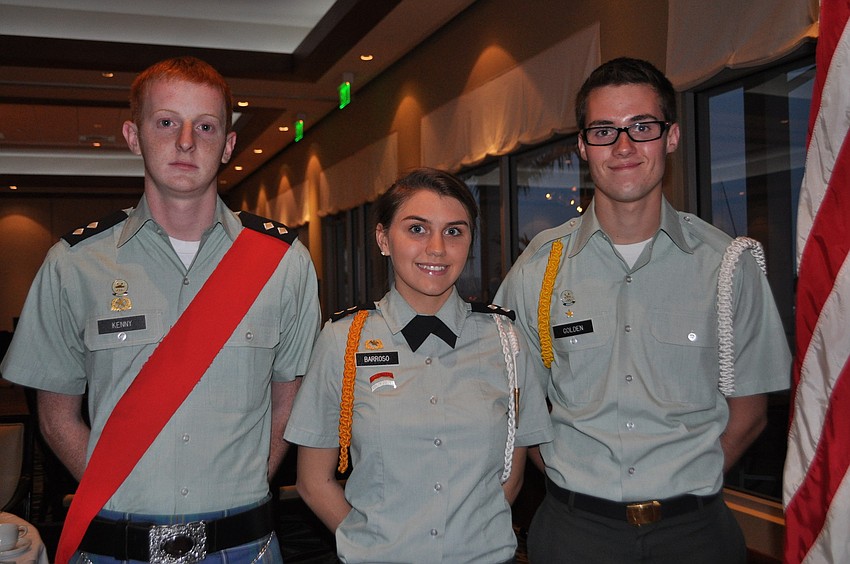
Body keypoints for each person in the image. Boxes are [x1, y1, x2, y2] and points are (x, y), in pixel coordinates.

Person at [0, 56, 321, 563]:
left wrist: (245, 484)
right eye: (167, 122)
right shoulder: (74, 264)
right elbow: (55, 415)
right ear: (133, 135)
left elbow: (289, 400)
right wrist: (121, 489)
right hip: (115, 547)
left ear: (229, 146)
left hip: (243, 547)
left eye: (206, 126)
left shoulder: (284, 263)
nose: (186, 141)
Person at [495, 57, 791, 563]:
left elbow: (750, 414)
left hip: (695, 536)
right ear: (584, 147)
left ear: (671, 137)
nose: (625, 146)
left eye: (642, 127)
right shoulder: (537, 269)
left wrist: (685, 484)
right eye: (605, 130)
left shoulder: (728, 265)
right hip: (573, 534)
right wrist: (570, 474)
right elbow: (510, 399)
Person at [284, 168, 553, 563]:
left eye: (454, 231)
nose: (437, 249)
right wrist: (373, 547)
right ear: (383, 239)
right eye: (417, 229)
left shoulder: (506, 340)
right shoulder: (344, 340)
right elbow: (313, 481)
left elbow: (511, 473)